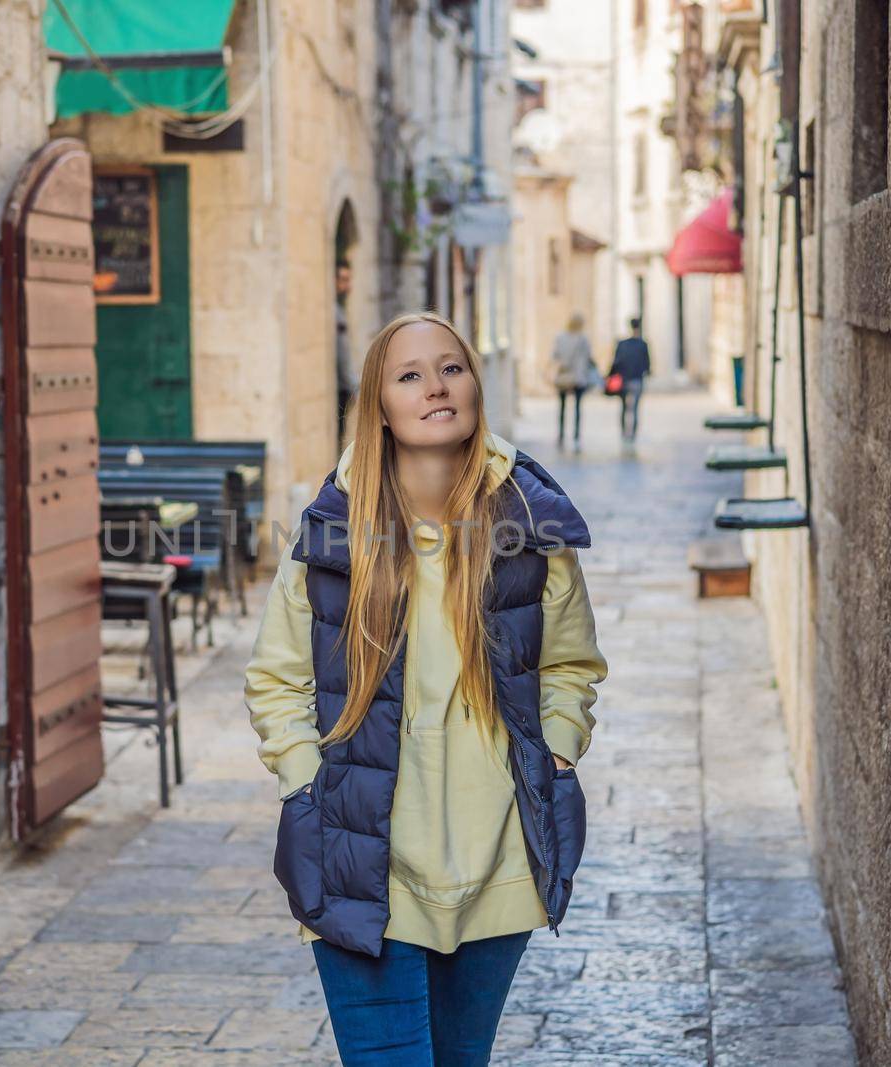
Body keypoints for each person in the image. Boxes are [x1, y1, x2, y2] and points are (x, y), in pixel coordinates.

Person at [245, 312, 608, 1066]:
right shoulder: (333, 532)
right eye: (409, 374)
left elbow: (572, 664)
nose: (436, 386)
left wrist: (559, 758)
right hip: (360, 858)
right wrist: (306, 784)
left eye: (452, 367)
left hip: (500, 858)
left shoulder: (529, 527)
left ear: (476, 385)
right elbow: (277, 676)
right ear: (379, 405)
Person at [548, 312, 598, 450]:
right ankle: (576, 436)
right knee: (577, 408)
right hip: (578, 377)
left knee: (562, 407)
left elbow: (554, 355)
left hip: (564, 376)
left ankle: (561, 435)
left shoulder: (560, 337)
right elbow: (589, 357)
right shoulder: (583, 339)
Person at [609, 316, 652, 444]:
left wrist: (609, 376)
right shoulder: (643, 345)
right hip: (637, 380)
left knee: (623, 408)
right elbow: (647, 364)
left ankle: (623, 432)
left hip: (624, 379)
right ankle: (632, 433)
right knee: (635, 408)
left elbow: (615, 362)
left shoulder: (622, 344)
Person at [335, 260, 357, 443]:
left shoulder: (339, 310)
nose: (347, 286)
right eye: (343, 279)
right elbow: (340, 354)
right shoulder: (333, 313)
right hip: (340, 387)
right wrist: (350, 384)